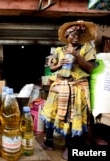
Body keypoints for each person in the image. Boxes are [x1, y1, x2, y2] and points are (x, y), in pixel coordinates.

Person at [40, 20, 97, 160]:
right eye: (73, 34)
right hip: (59, 85)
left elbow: (90, 68)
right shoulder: (59, 51)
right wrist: (59, 64)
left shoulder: (87, 49)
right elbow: (51, 68)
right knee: (50, 112)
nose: (76, 37)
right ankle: (49, 142)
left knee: (72, 117)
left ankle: (69, 147)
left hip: (76, 87)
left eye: (79, 34)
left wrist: (77, 56)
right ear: (67, 36)